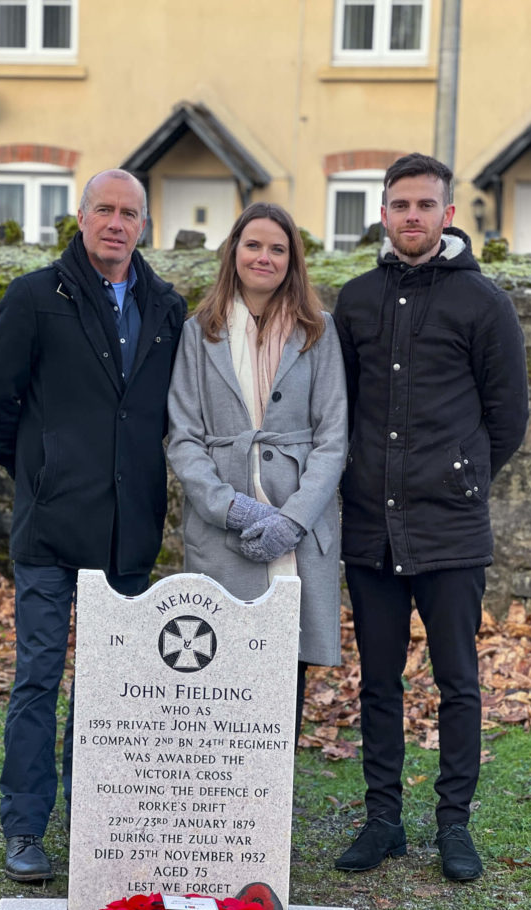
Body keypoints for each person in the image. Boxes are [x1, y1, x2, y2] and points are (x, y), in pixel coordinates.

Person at [0, 169, 186, 882]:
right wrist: (39, 470)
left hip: (128, 530)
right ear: (81, 215)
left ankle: (101, 825)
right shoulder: (37, 297)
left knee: (114, 691)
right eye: (104, 209)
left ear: (145, 226)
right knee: (38, 677)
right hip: (51, 527)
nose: (116, 223)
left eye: (129, 213)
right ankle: (26, 829)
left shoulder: (166, 308)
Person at [332, 153, 528, 881]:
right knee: (377, 680)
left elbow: (507, 417)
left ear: (448, 215)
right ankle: (382, 818)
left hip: (450, 528)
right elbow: (339, 410)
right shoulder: (352, 301)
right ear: (382, 214)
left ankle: (453, 823)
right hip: (368, 529)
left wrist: (460, 476)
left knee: (457, 680)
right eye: (399, 204)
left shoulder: (484, 304)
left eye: (425, 205)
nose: (411, 216)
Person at [167, 202, 348, 739]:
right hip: (222, 528)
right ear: (234, 252)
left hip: (298, 522)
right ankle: (221, 795)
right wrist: (231, 507)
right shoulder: (199, 333)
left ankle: (270, 798)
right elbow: (183, 438)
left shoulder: (319, 331)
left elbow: (334, 439)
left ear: (292, 260)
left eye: (277, 248)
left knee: (286, 660)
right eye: (253, 245)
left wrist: (293, 520)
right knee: (218, 661)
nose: (264, 257)